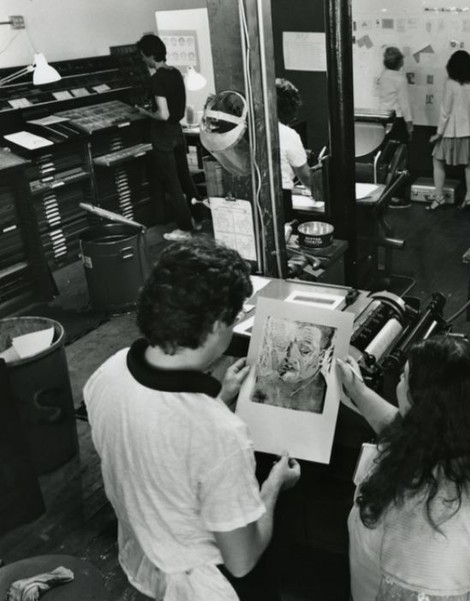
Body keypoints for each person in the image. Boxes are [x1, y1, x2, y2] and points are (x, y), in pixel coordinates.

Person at [84, 238, 301, 601]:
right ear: (217, 326)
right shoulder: (220, 434)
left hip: (142, 557)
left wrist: (218, 395)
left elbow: (153, 438)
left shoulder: (107, 373)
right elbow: (242, 559)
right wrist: (275, 484)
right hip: (206, 588)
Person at [338, 336, 470, 601]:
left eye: (403, 377)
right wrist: (356, 389)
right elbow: (398, 426)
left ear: (420, 407)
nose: (399, 384)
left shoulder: (426, 519)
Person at [136, 34, 200, 242]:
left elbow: (162, 114)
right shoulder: (175, 73)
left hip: (163, 134)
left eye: (143, 56)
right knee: (185, 178)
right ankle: (198, 219)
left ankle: (184, 229)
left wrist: (144, 112)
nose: (143, 60)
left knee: (172, 182)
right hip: (177, 132)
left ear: (149, 55)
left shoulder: (157, 79)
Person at [428, 50, 470, 211]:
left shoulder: (450, 82)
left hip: (452, 130)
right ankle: (468, 198)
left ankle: (439, 198)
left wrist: (438, 133)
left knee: (437, 160)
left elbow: (445, 110)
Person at [251, 319, 333, 413]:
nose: (290, 356)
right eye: (281, 345)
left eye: (305, 350)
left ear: (321, 357)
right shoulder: (260, 384)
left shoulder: (327, 396)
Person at [276, 78, 314, 222]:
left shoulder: (250, 130)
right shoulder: (288, 134)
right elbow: (304, 175)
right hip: (280, 198)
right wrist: (316, 193)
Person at [377, 47, 413, 145]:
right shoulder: (400, 78)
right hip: (397, 119)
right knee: (399, 151)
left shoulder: (383, 75)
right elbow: (404, 104)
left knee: (384, 147)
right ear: (399, 61)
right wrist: (409, 125)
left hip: (382, 116)